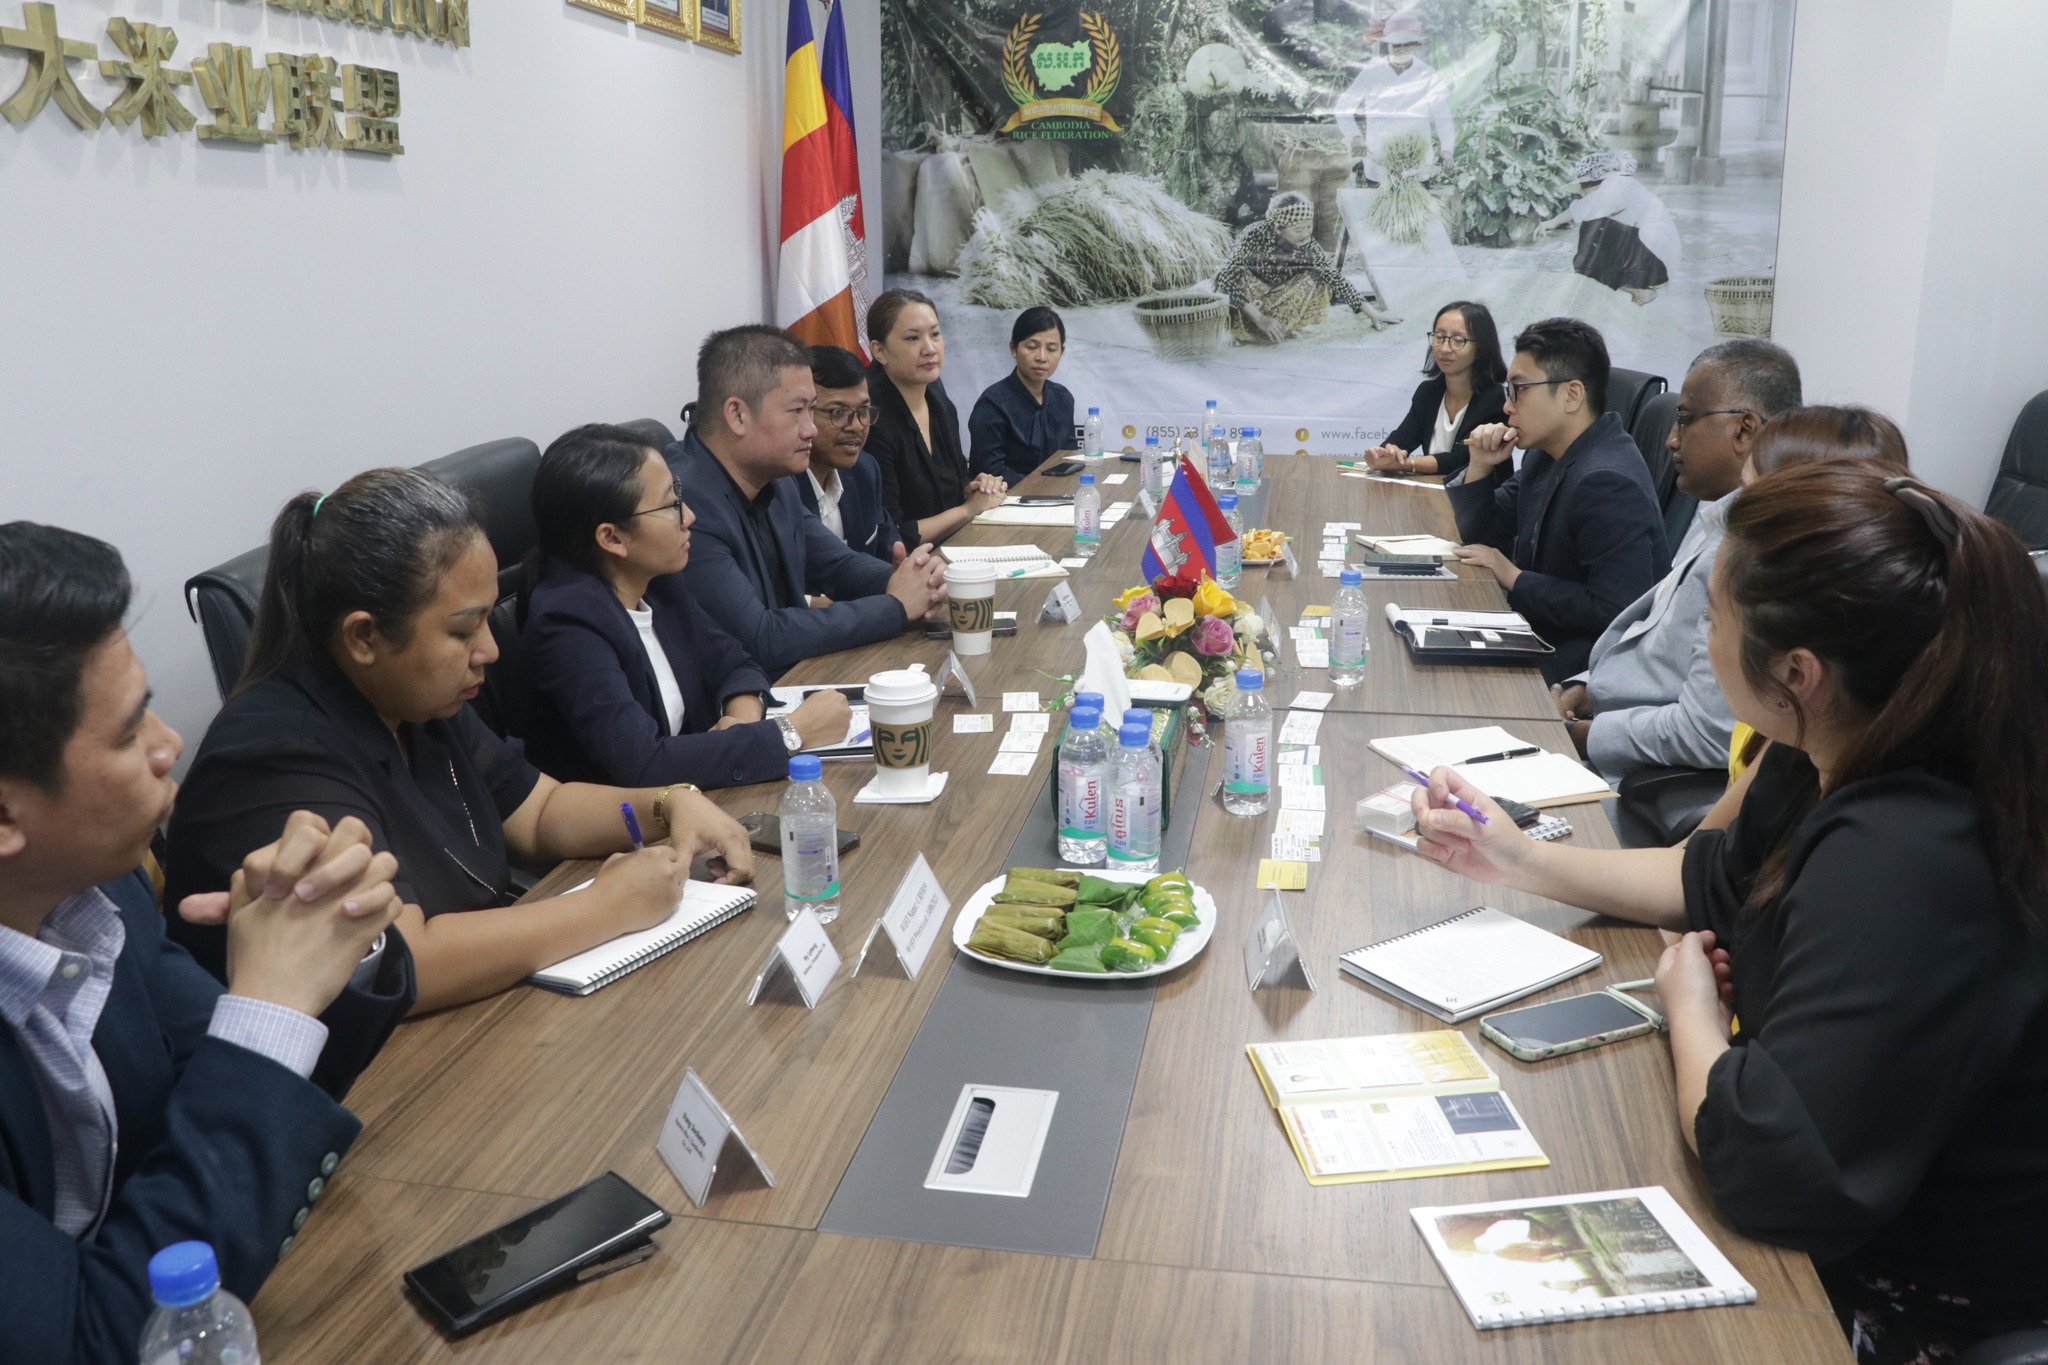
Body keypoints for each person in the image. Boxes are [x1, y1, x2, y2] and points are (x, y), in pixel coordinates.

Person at [1411, 460, 2048, 1362]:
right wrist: (1515, 857)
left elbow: (1771, 1167)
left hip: (1905, 1301)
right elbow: (1707, 878)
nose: (1705, 641)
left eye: (1713, 617)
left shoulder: (1904, 854)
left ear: (1797, 671)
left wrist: (1693, 1015)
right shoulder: (1829, 743)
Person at [0, 521, 414, 1362]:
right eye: (129, 733)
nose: (170, 743)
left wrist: (326, 934)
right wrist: (272, 1003)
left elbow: (244, 1102)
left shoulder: (97, 893)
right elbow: (93, 1340)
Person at [163, 468, 757, 1017]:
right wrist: (606, 907)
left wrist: (668, 804)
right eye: (462, 629)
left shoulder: (412, 698)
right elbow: (404, 963)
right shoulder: (272, 758)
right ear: (364, 637)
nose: (489, 650)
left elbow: (540, 811)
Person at [507, 425, 853, 791]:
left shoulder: (657, 584)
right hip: (622, 824)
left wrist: (742, 720)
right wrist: (790, 732)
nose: (689, 516)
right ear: (612, 537)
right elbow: (643, 765)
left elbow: (737, 662)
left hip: (695, 800)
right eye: (671, 505)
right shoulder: (567, 625)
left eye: (680, 497)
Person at [1552, 339, 1803, 780]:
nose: (1671, 439)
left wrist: (1580, 736)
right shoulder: (1715, 515)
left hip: (1641, 782)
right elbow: (1662, 643)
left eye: (1685, 420)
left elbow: (1709, 731)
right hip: (1611, 729)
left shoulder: (1753, 552)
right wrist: (1586, 688)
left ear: (1744, 431)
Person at [668, 325, 949, 677]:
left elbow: (836, 565)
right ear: (737, 415)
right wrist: (894, 606)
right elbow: (760, 638)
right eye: (797, 411)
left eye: (812, 409)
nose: (811, 429)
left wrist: (912, 581)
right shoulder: (684, 504)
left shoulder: (774, 480)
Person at [1448, 316, 1669, 683]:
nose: (1507, 407)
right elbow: (1481, 533)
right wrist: (1481, 466)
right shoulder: (1546, 453)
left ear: (1571, 395)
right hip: (1540, 632)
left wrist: (1515, 578)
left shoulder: (1607, 482)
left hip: (1579, 667)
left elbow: (1615, 610)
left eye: (1519, 390)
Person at [863, 289, 1009, 547]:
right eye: (912, 338)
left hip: (955, 549)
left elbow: (956, 485)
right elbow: (894, 534)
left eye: (935, 334)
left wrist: (976, 487)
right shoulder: (870, 420)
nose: (930, 349)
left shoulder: (939, 402)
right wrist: (968, 510)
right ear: (879, 351)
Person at [1216, 192, 1398, 344]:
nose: (1305, 234)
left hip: (1274, 296)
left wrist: (1372, 313)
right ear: (1278, 228)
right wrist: (1260, 318)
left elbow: (1335, 278)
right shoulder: (1254, 234)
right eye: (1298, 229)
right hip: (1249, 299)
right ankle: (1238, 328)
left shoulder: (1307, 245)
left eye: (1308, 227)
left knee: (1318, 280)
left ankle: (1279, 327)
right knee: (1228, 276)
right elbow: (1225, 279)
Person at [1362, 299, 1510, 486]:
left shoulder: (1495, 398)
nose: (1445, 348)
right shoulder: (1428, 393)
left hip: (1482, 496)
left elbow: (1460, 459)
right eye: (1439, 337)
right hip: (1435, 494)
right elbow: (1401, 440)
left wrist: (1408, 464)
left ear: (1481, 348)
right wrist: (1385, 454)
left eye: (1458, 341)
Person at [797, 345, 903, 566]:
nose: (856, 426)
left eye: (863, 411)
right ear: (802, 413)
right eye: (838, 412)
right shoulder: (780, 489)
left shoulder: (864, 471)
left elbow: (892, 557)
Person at [1540, 151, 1682, 307]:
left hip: (1656, 263)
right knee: (1595, 231)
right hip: (1657, 262)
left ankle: (1634, 290)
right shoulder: (1621, 184)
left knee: (1594, 226)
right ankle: (1635, 289)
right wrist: (1553, 222)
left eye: (1583, 188)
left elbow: (1583, 210)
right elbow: (1580, 208)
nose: (1583, 195)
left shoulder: (1616, 185)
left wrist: (1552, 222)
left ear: (1594, 182)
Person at [1333, 10, 1456, 187]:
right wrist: (1355, 136)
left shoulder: (1426, 73)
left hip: (1417, 164)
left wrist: (1447, 150)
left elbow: (1442, 116)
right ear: (1388, 45)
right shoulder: (1373, 72)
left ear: (1416, 44)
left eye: (1408, 44)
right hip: (1379, 162)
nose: (1402, 49)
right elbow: (1343, 107)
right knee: (1379, 204)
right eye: (1396, 45)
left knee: (1417, 205)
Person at [968, 306, 1079, 484]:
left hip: (1059, 493)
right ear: (1013, 348)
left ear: (1062, 352)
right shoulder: (992, 404)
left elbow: (1069, 457)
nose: (1042, 357)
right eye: (1032, 347)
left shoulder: (1063, 397)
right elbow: (990, 471)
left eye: (1051, 349)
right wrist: (1041, 486)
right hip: (1007, 497)